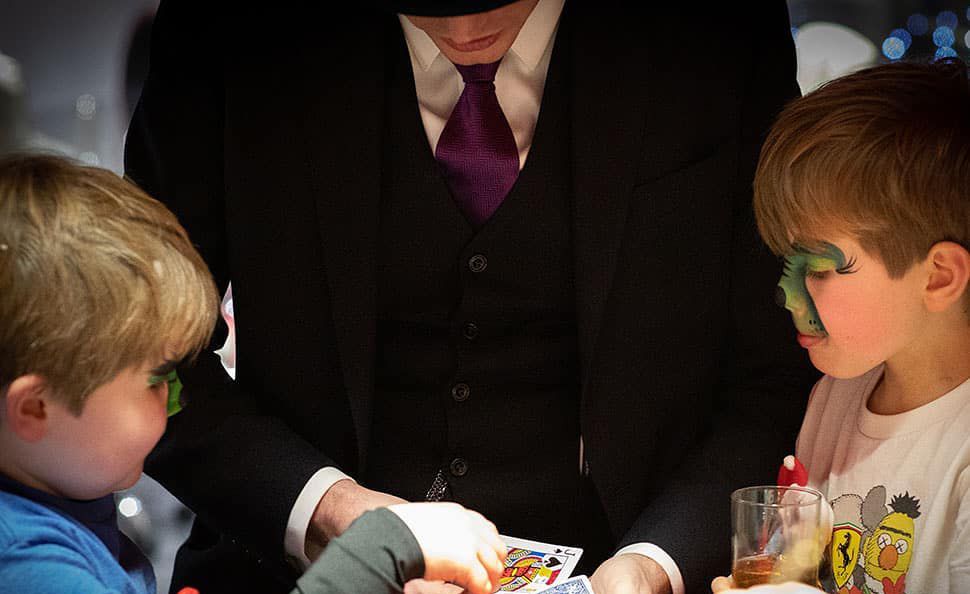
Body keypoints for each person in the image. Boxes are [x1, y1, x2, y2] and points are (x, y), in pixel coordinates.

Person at [124, 1, 816, 593]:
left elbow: (772, 372)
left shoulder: (713, 26)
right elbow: (133, 351)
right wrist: (325, 507)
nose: (462, 28)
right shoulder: (232, 26)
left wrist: (652, 564)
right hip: (286, 571)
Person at [0, 154, 506, 594]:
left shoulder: (55, 500)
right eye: (157, 380)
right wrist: (380, 549)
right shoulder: (29, 567)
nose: (177, 400)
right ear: (36, 408)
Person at [715, 59, 970, 594]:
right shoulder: (834, 397)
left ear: (939, 277)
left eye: (819, 268)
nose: (786, 294)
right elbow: (799, 569)